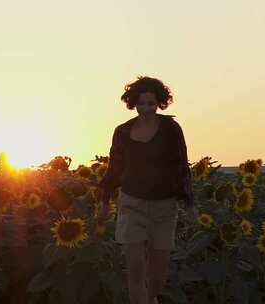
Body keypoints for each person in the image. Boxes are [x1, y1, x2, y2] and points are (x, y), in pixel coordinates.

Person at [97, 76, 198, 304]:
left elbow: (181, 166)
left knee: (158, 275)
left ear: (159, 103)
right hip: (132, 204)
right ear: (133, 103)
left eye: (151, 104)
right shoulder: (122, 132)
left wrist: (189, 204)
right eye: (141, 104)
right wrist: (104, 202)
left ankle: (151, 298)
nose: (146, 109)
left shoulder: (171, 129)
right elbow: (114, 169)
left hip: (164, 207)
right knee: (135, 271)